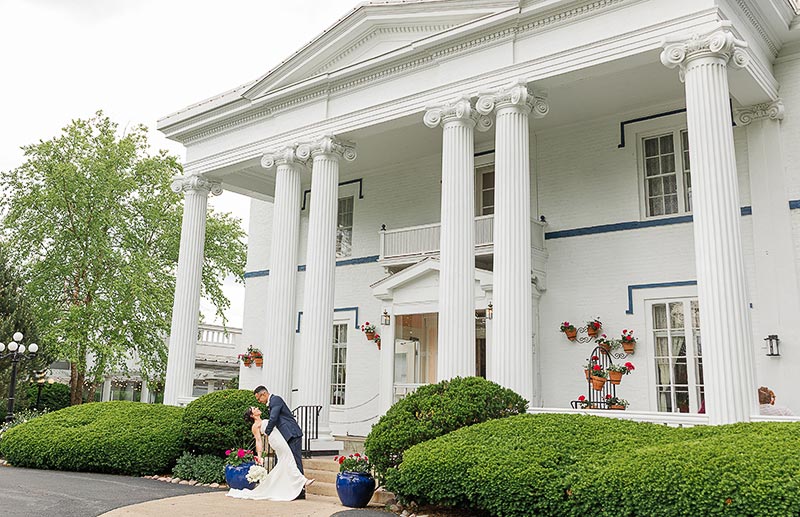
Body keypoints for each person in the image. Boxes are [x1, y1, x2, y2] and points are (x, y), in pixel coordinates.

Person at [226, 406, 314, 501]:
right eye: (254, 408)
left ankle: (282, 484)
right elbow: (258, 441)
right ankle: (302, 481)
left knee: (285, 462)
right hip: (276, 440)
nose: (257, 408)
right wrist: (259, 455)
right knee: (289, 459)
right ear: (252, 415)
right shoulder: (255, 426)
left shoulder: (263, 420)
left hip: (280, 438)